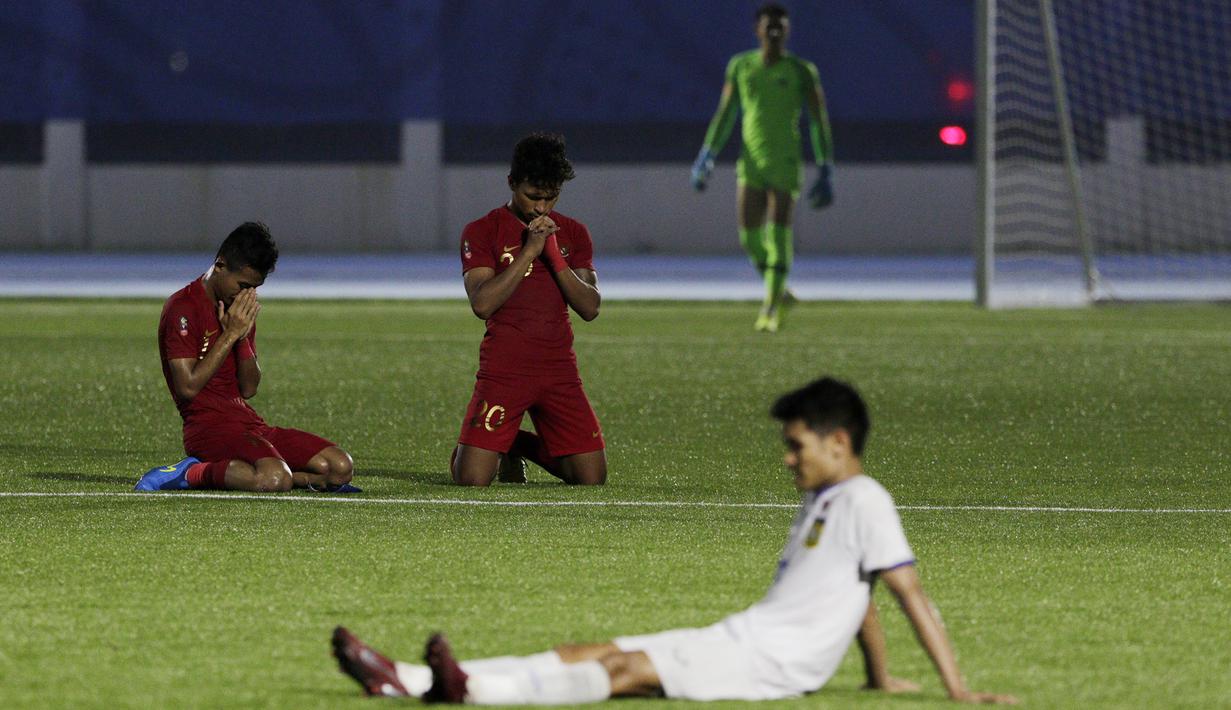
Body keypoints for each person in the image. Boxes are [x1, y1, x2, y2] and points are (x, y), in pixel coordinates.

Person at [330, 378, 1018, 705]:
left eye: (795, 445)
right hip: (748, 638)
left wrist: (959, 693)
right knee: (594, 652)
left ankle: (464, 692)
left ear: (838, 443)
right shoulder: (827, 500)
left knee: (625, 672)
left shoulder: (865, 499)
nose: (786, 458)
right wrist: (874, 677)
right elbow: (858, 598)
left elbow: (908, 593)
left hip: (767, 665)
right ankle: (414, 680)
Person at [134, 222, 359, 493]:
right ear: (220, 265)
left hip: (249, 424)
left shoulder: (237, 310)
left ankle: (292, 478)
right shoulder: (182, 307)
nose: (247, 295)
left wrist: (241, 338)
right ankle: (191, 473)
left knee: (339, 468)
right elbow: (187, 387)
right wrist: (230, 334)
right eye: (243, 285)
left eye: (254, 288)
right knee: (274, 479)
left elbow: (249, 389)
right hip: (208, 429)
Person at [449, 133, 606, 487]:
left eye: (551, 198)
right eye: (533, 196)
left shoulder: (573, 233)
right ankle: (479, 449)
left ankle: (512, 444)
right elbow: (482, 303)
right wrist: (529, 252)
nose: (541, 208)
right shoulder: (482, 231)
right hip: (505, 369)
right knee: (472, 481)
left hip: (558, 370)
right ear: (511, 183)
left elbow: (591, 307)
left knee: (591, 479)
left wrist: (552, 254)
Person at [691, 2, 835, 333]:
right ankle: (780, 291)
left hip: (785, 160)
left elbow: (818, 120)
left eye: (780, 26)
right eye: (769, 25)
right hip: (751, 161)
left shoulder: (801, 71)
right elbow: (726, 113)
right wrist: (707, 154)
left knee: (779, 229)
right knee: (749, 237)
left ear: (788, 31)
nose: (774, 31)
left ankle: (770, 310)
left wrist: (826, 166)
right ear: (757, 30)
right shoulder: (741, 66)